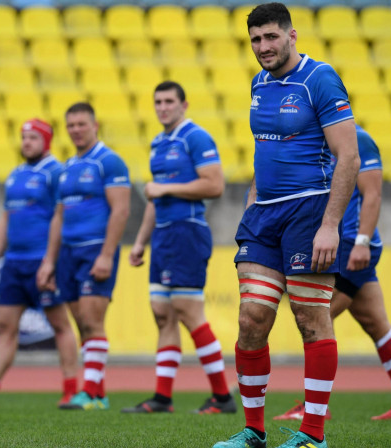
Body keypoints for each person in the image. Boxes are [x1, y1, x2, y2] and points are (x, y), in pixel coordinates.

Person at [213, 4, 359, 448]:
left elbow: (348, 158)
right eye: (256, 40)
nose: (263, 48)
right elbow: (267, 149)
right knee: (252, 318)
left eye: (271, 37)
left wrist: (331, 225)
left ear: (291, 35)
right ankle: (253, 431)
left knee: (310, 318)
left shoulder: (320, 78)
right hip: (264, 214)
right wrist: (254, 199)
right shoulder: (258, 83)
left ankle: (312, 435)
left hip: (309, 212)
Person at [273, 126, 391, 421]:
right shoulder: (312, 140)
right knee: (376, 323)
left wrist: (362, 242)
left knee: (317, 316)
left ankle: (314, 407)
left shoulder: (358, 139)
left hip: (351, 245)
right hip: (339, 244)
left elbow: (372, 195)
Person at [121, 81, 235, 415]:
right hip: (162, 236)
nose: (162, 107)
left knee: (187, 311)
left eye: (169, 101)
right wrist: (141, 242)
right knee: (162, 314)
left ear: (183, 105)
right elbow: (156, 198)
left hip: (187, 231)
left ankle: (223, 397)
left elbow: (214, 185)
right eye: (157, 101)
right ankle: (162, 397)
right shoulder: (158, 143)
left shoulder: (195, 137)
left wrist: (164, 188)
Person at [0, 119, 78, 408]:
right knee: (5, 326)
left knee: (60, 324)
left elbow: (63, 217)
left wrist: (51, 261)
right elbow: (6, 219)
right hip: (15, 263)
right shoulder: (16, 174)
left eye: (33, 137)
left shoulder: (55, 173)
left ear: (46, 141)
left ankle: (71, 389)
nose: (26, 143)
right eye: (23, 137)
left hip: (42, 262)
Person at [37, 103, 131, 411]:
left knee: (92, 321)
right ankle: (98, 393)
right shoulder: (68, 168)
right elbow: (58, 217)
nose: (76, 130)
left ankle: (89, 394)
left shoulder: (109, 162)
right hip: (68, 253)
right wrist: (50, 261)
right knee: (81, 324)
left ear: (95, 125)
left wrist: (106, 255)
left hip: (95, 250)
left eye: (81, 124)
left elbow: (121, 210)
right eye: (71, 125)